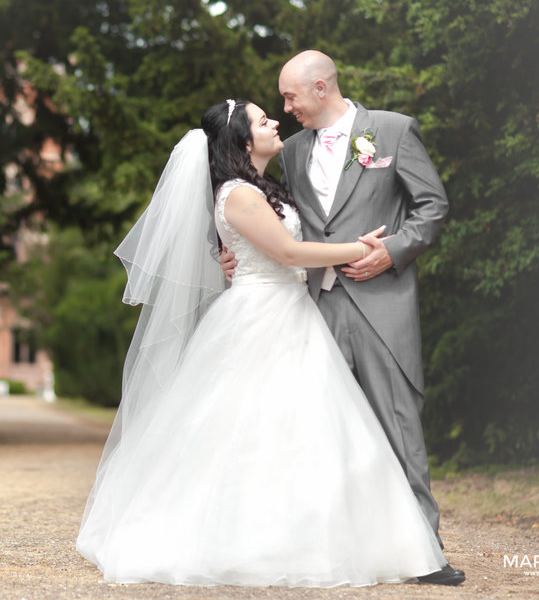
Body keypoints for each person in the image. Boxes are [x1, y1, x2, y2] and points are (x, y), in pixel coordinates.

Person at [76, 99, 447, 588]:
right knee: (249, 431)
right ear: (243, 141)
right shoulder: (240, 194)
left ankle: (327, 535)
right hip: (262, 317)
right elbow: (290, 250)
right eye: (262, 119)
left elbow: (270, 242)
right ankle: (249, 539)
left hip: (291, 311)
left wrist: (227, 256)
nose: (277, 120)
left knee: (308, 433)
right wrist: (365, 249)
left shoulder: (260, 188)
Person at [221, 51, 463, 585]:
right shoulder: (294, 151)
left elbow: (432, 207)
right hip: (312, 308)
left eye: (291, 97)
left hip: (382, 301)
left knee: (399, 425)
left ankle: (426, 553)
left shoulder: (393, 131)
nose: (286, 109)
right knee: (326, 434)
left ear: (322, 87)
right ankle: (346, 548)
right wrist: (233, 252)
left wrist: (393, 250)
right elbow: (280, 222)